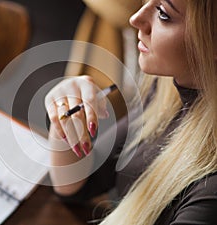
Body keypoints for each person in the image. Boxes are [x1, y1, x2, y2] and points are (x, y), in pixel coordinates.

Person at [44, 0, 217, 224]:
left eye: (163, 14)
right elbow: (80, 183)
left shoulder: (210, 192)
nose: (135, 19)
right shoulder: (165, 91)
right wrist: (65, 124)